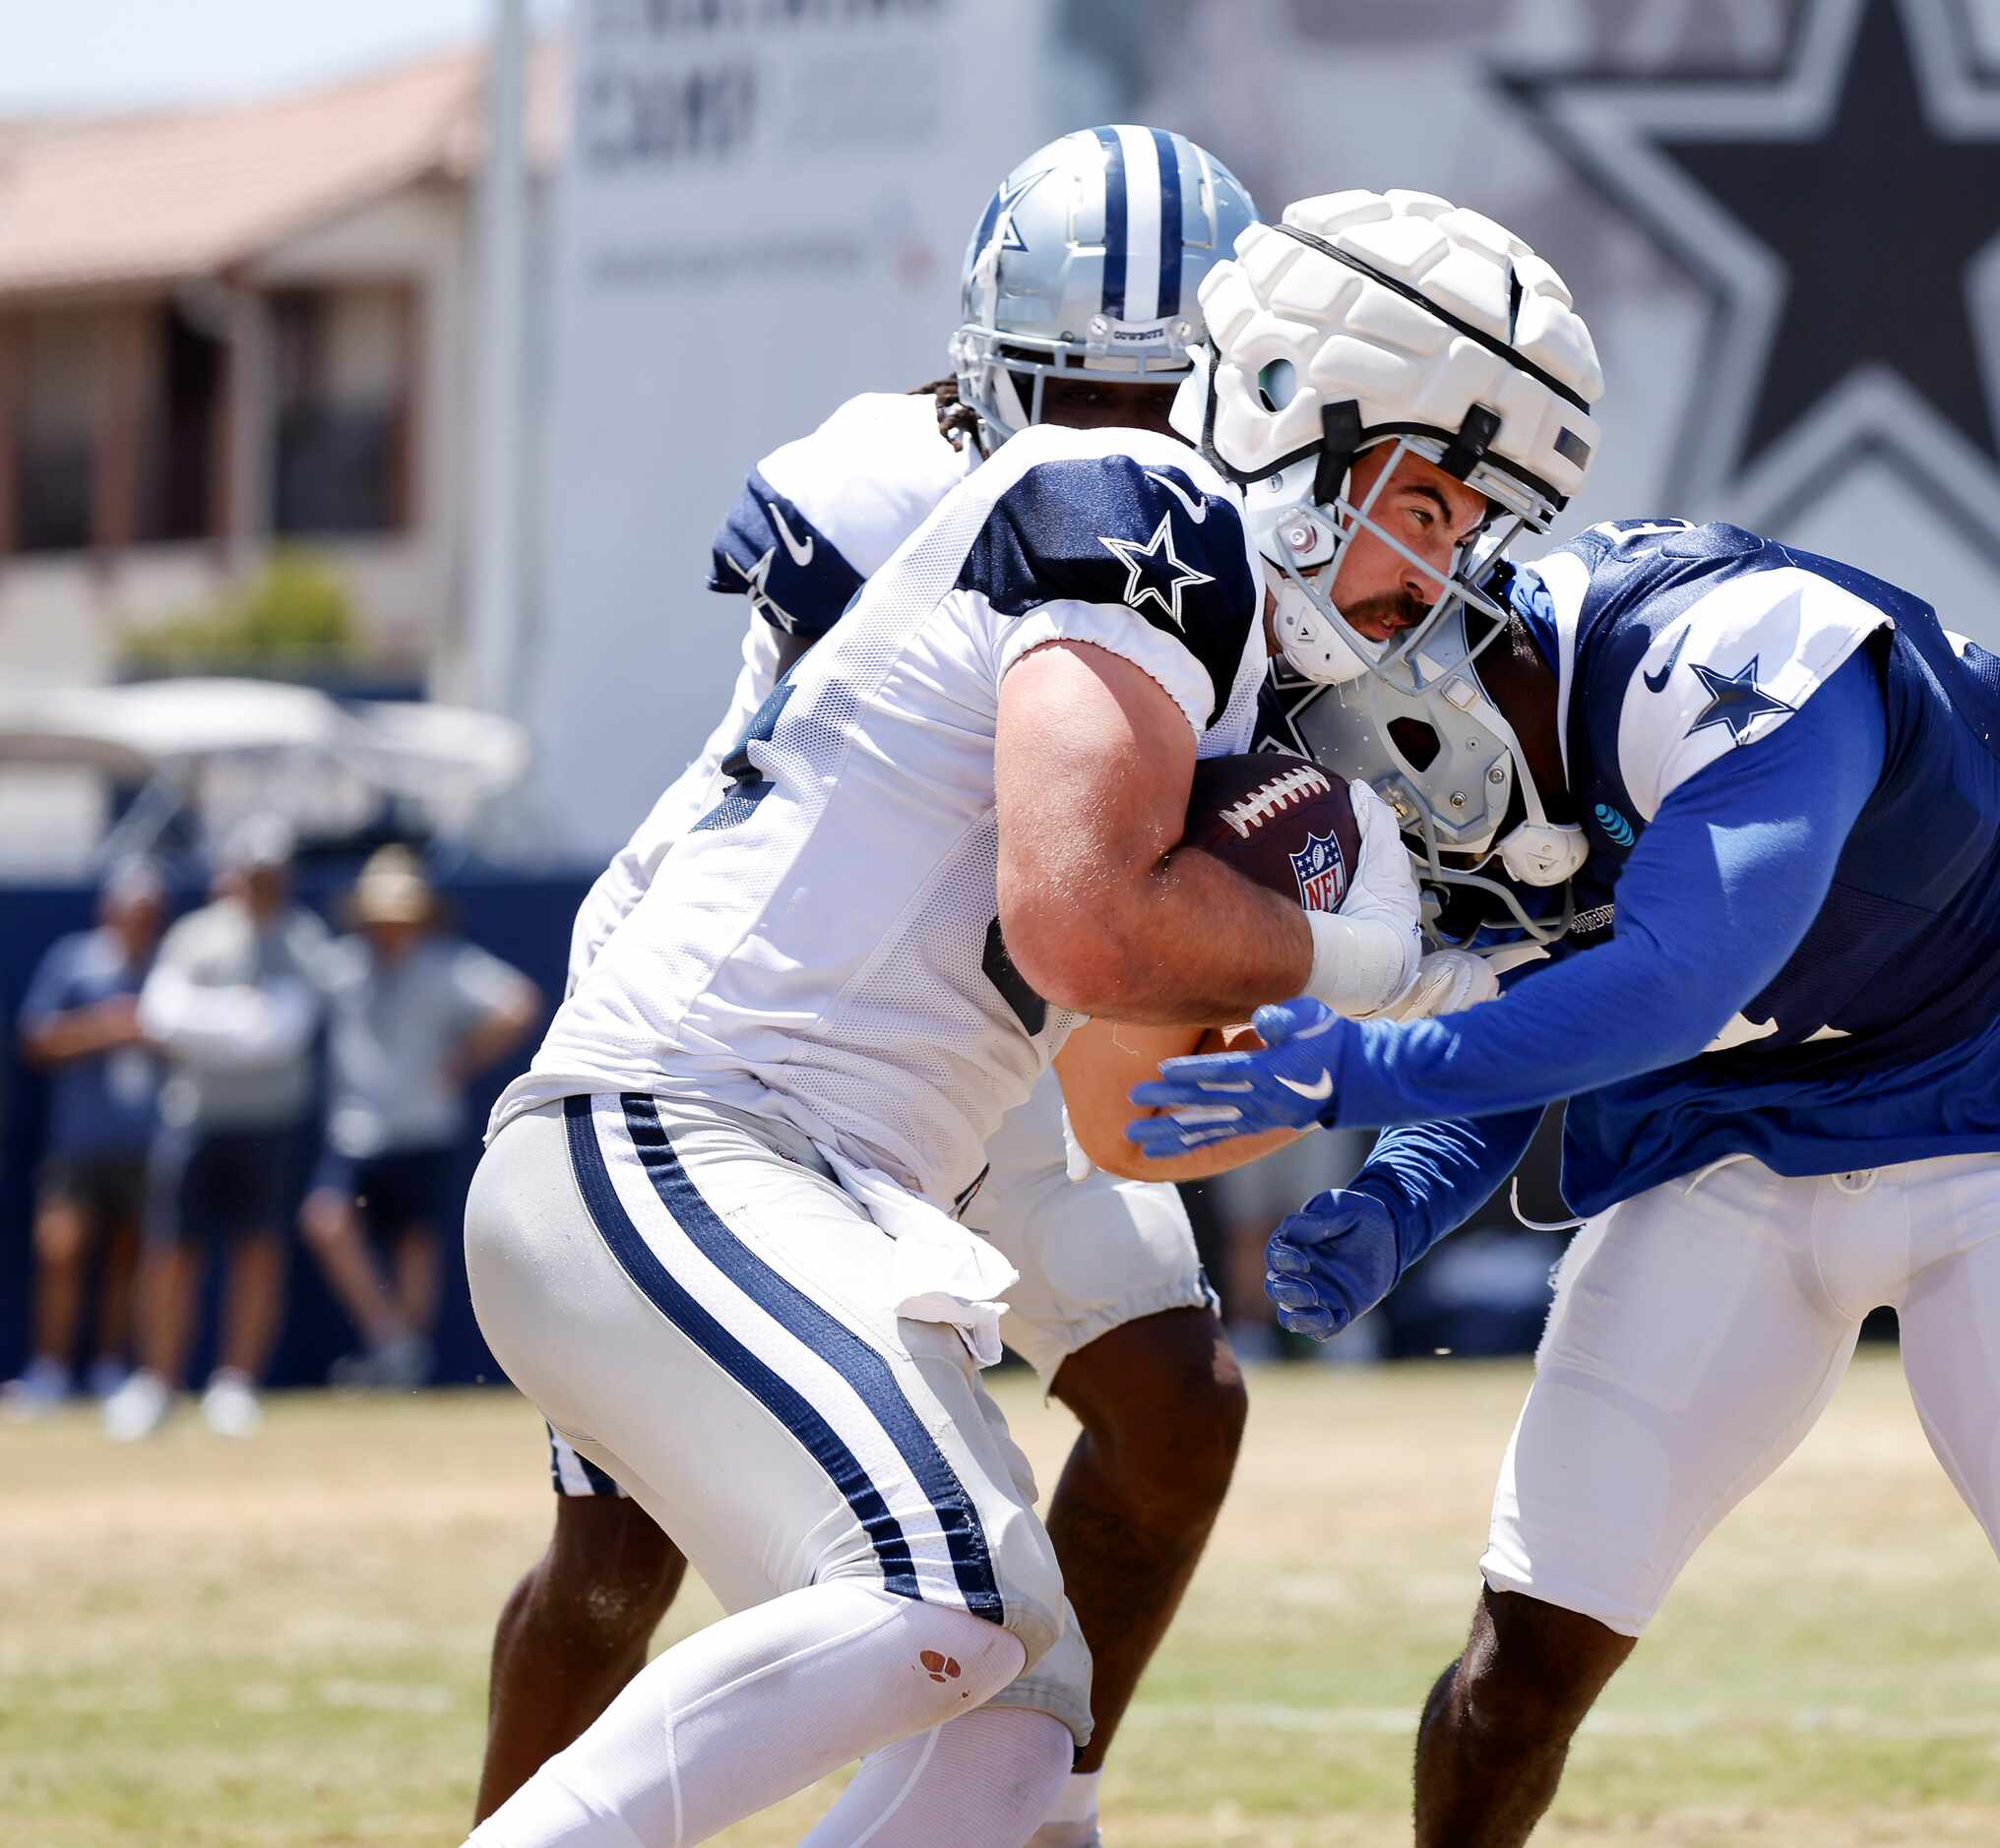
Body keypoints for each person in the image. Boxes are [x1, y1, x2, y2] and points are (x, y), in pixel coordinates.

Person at [461, 176, 1596, 1846]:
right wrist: (1379, 955)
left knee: (1016, 1725)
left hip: (851, 1155)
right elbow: (1077, 926)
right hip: (693, 1122)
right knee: (932, 1589)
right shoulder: (1138, 500)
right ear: (1299, 408)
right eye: (1424, 504)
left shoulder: (1236, 648)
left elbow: (1129, 1100)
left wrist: (1367, 1009)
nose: (1437, 566)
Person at [1135, 516, 2000, 1846]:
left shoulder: (1726, 651)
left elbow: (1672, 981)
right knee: (1517, 1670)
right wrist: (1403, 1193)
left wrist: (1354, 1079)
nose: (1368, 778)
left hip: (1994, 1136)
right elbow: (1518, 999)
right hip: (1722, 1165)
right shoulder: (1468, 798)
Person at [472, 128, 1266, 1848]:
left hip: (993, 1037)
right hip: (786, 1017)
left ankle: (1034, 1783)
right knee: (622, 1553)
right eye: (1073, 386)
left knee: (1172, 1405)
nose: (1107, 436)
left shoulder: (1228, 534)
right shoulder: (883, 472)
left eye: (1153, 396)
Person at [104, 817, 331, 1442]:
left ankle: (235, 1384)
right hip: (195, 1118)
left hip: (271, 1123)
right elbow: (161, 1015)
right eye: (252, 874)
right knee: (172, 1253)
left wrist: (210, 1024)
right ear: (232, 874)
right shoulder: (194, 935)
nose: (261, 886)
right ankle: (157, 1383)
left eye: (271, 876)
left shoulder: (306, 942)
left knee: (257, 1252)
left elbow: (280, 1036)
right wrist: (239, 1022)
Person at [301, 847, 538, 1388]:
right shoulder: (340, 968)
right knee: (328, 1220)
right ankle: (392, 1340)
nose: (390, 928)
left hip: (422, 1125)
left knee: (415, 1243)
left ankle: (403, 1363)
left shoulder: (444, 965)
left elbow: (518, 1002)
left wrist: (468, 1056)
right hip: (356, 1127)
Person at [5, 861, 168, 1416]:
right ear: (111, 911)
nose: (140, 922)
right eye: (133, 911)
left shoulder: (166, 969)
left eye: (150, 914)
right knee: (61, 1253)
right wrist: (107, 1028)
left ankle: (108, 1367)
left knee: (130, 1258)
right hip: (76, 1145)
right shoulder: (73, 962)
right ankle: (50, 1369)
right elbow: (37, 1038)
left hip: (143, 1143)